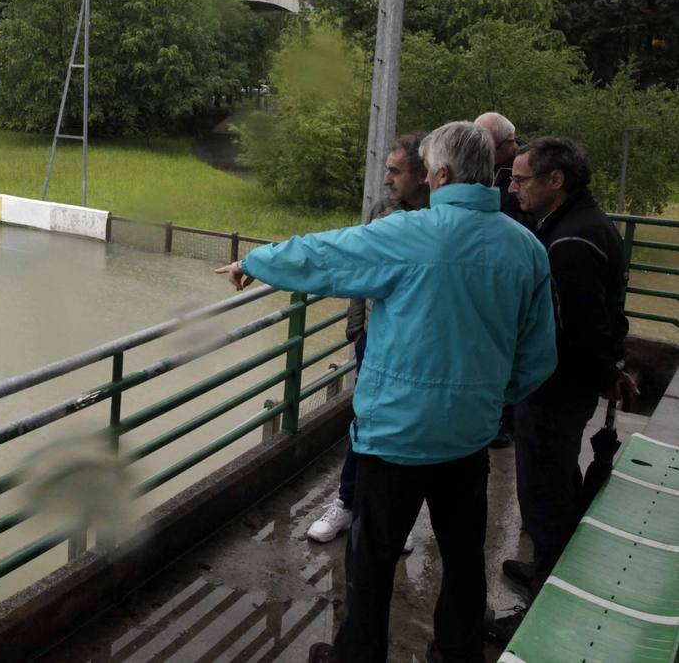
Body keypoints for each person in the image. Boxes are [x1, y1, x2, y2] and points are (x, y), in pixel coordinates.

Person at [219, 122, 557, 663]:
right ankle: (455, 653)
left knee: (371, 562)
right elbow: (538, 357)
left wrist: (254, 262)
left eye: (425, 167)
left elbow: (324, 256)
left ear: (441, 174)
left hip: (395, 437)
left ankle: (360, 655)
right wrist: (489, 398)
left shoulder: (408, 233)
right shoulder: (526, 248)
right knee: (465, 561)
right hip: (468, 437)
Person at [488, 138, 632, 644]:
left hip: (552, 391)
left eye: (521, 179)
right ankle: (549, 569)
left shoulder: (569, 244)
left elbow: (580, 330)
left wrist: (605, 374)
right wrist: (608, 368)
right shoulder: (579, 226)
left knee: (544, 496)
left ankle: (539, 609)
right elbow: (606, 318)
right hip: (562, 390)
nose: (512, 187)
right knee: (559, 482)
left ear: (556, 182)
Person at [307, 133, 429, 548]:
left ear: (424, 174)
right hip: (374, 339)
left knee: (408, 428)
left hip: (418, 344)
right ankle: (345, 502)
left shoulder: (438, 218)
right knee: (366, 422)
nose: (387, 180)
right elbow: (358, 266)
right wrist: (356, 326)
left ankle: (398, 518)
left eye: (395, 171)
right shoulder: (381, 210)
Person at [475, 111, 532, 449]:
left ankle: (507, 421)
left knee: (513, 347)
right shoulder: (479, 168)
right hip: (482, 273)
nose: (482, 153)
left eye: (489, 147)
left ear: (509, 144)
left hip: (511, 272)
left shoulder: (528, 170)